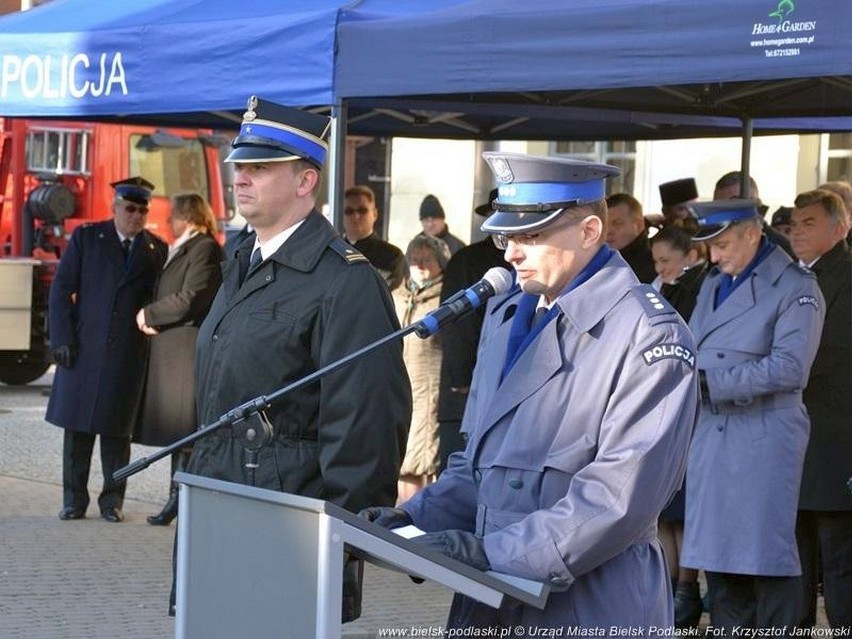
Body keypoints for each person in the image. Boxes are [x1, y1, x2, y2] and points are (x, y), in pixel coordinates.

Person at [362, 152, 699, 631]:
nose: (510, 253)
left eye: (531, 236)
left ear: (588, 232)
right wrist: (412, 522)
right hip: (493, 598)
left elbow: (618, 499)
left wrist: (487, 551)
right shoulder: (506, 318)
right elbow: (475, 464)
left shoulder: (647, 333)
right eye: (507, 236)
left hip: (591, 604)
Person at [181, 96, 411, 622]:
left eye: (259, 168)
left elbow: (367, 420)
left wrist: (343, 537)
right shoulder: (244, 259)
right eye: (240, 166)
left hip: (292, 528)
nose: (241, 177)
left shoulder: (344, 281)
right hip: (222, 506)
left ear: (306, 181)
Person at [682, 199, 825, 631]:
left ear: (752, 234)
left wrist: (713, 383)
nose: (715, 255)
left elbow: (790, 367)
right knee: (720, 568)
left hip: (762, 438)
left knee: (766, 564)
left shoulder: (796, 287)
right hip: (713, 436)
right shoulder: (713, 282)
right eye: (710, 246)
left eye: (723, 244)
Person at [46, 177, 167, 523]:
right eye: (129, 208)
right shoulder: (87, 238)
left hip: (126, 354)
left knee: (117, 435)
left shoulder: (155, 249)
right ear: (114, 207)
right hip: (84, 349)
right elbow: (61, 292)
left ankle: (112, 502)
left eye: (142, 210)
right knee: (78, 431)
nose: (136, 216)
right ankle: (74, 501)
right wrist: (62, 340)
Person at [133, 193, 223, 526]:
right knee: (178, 434)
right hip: (172, 355)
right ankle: (176, 499)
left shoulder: (204, 248)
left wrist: (150, 314)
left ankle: (180, 501)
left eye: (173, 214)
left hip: (184, 354)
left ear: (186, 216)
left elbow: (191, 297)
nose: (169, 221)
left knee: (185, 432)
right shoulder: (188, 247)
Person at [789, 189, 852, 630]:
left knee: (839, 560)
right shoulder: (795, 278)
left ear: (841, 227)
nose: (797, 232)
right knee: (794, 557)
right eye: (794, 224)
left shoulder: (846, 277)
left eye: (809, 223)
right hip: (796, 438)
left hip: (835, 439)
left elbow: (830, 352)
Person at [650, 225, 708, 627]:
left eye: (666, 260)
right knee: (666, 515)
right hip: (661, 412)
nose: (660, 268)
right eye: (656, 261)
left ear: (689, 256)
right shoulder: (660, 287)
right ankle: (671, 586)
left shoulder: (694, 289)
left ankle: (687, 588)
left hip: (685, 411)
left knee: (683, 513)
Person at [436, 188, 509, 473]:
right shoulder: (468, 260)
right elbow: (456, 322)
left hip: (503, 384)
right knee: (462, 471)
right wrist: (462, 375)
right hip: (468, 390)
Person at [394, 234, 452, 503]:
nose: (420, 265)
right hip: (398, 386)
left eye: (427, 260)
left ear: (440, 263)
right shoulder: (397, 294)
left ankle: (412, 524)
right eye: (415, 259)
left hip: (428, 388)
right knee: (400, 457)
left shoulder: (446, 298)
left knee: (420, 459)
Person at [712, 170, 796, 258]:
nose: (721, 214)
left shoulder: (781, 250)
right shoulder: (710, 242)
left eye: (730, 206)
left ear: (753, 203)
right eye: (717, 207)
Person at [343, 184, 406, 290]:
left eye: (362, 211)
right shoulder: (330, 252)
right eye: (349, 211)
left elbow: (380, 293)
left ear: (375, 214)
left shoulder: (391, 255)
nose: (355, 216)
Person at [605, 192, 657, 283]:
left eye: (617, 223)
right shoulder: (599, 263)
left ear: (638, 225)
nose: (608, 231)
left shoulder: (656, 267)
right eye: (604, 225)